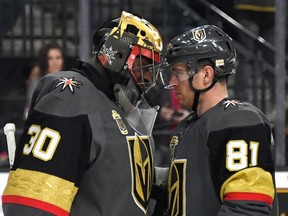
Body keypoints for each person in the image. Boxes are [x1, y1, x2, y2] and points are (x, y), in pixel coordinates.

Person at [2, 11, 163, 216]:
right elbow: (31, 205)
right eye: (143, 65)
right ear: (118, 55)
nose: (148, 77)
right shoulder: (70, 99)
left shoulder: (115, 105)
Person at [160, 25, 277, 215]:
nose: (173, 81)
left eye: (178, 72)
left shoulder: (239, 121)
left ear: (206, 75)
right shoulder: (191, 124)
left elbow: (247, 210)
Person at [24, 41, 65, 119]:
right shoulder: (37, 82)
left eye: (58, 58)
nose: (55, 62)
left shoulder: (68, 80)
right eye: (50, 58)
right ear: (44, 60)